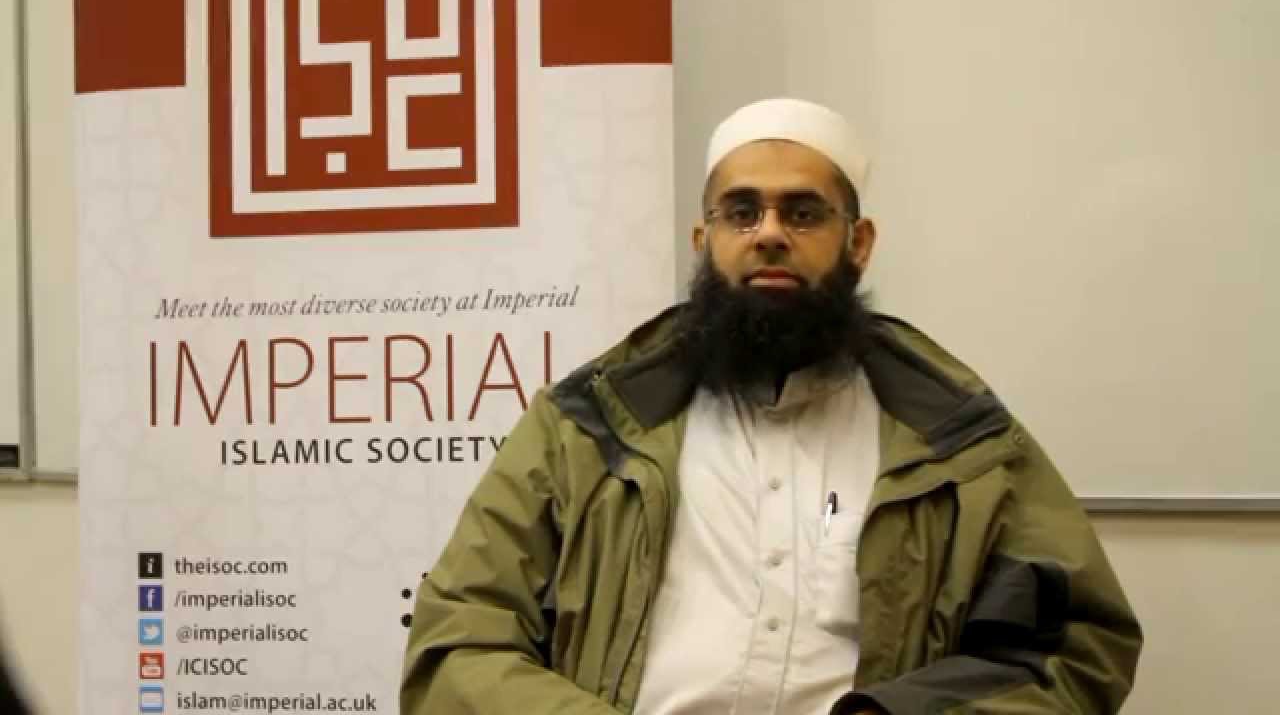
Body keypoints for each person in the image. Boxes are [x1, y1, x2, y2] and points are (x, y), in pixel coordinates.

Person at [401, 98, 1142, 714]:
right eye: (742, 212)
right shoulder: (587, 426)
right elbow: (458, 642)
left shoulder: (958, 438)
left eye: (805, 213)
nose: (771, 235)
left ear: (859, 243)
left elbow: (1073, 649)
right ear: (704, 240)